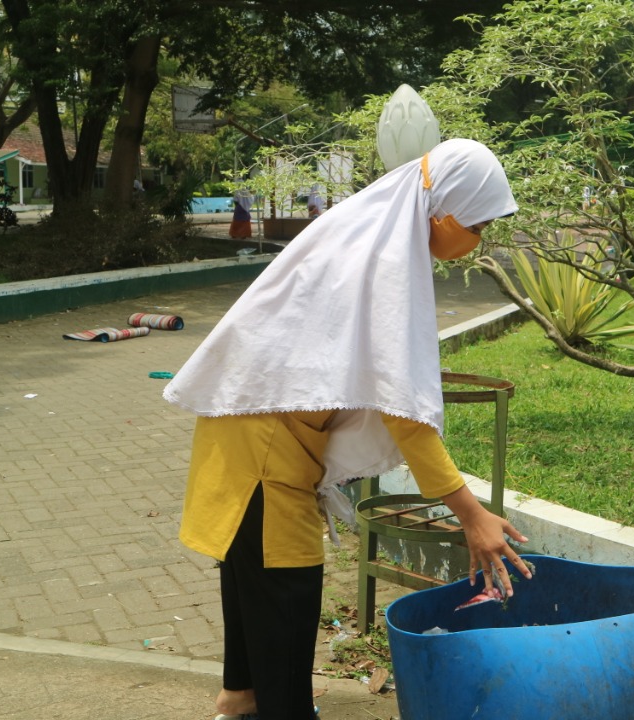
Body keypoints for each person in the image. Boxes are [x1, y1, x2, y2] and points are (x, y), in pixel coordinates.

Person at [163, 138, 533, 720]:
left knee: (252, 589)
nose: (479, 238)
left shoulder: (368, 233)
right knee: (285, 602)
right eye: (479, 224)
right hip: (265, 451)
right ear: (443, 212)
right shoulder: (385, 260)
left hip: (247, 432)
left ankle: (236, 701)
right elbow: (402, 408)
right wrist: (472, 514)